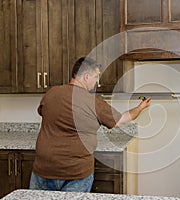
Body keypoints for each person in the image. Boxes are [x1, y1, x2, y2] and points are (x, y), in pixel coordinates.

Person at [29, 57, 151, 192]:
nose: (97, 82)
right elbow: (121, 120)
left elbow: (43, 113)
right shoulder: (93, 102)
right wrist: (140, 107)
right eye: (96, 76)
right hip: (76, 173)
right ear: (86, 77)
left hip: (43, 170)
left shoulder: (51, 93)